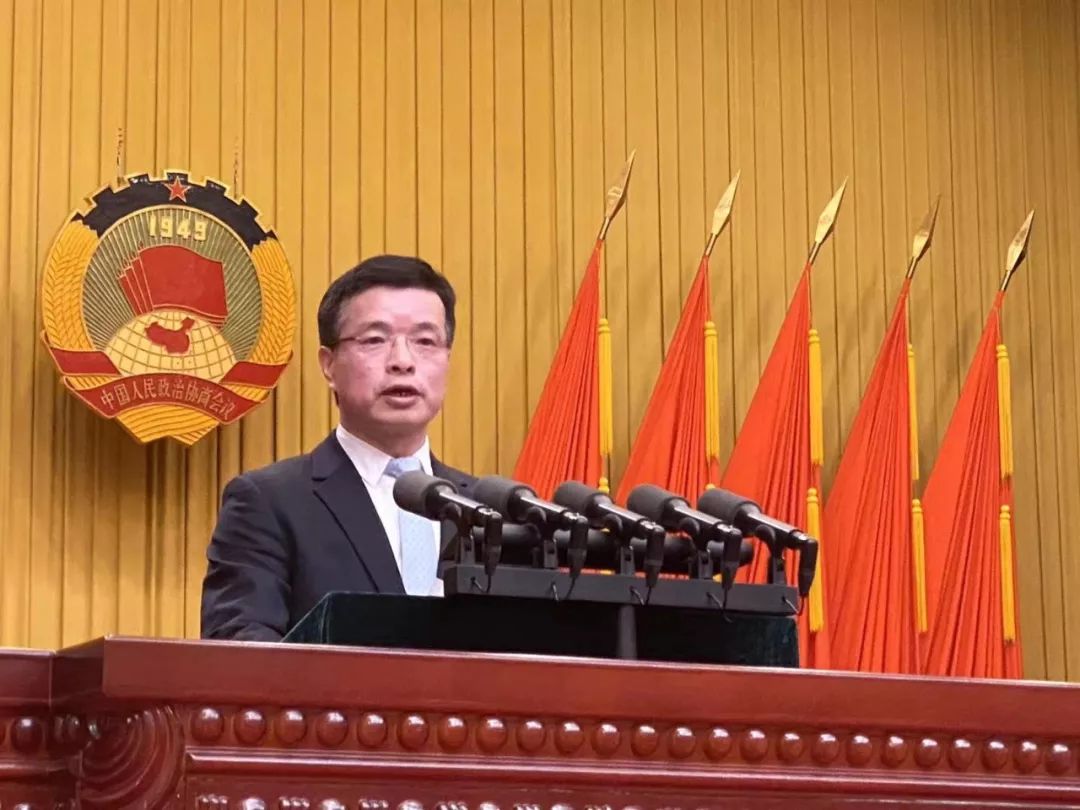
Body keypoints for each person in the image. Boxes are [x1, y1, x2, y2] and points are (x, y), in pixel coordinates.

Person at [201, 255, 474, 641]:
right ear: (328, 365)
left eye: (425, 341)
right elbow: (240, 647)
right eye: (375, 340)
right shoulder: (270, 502)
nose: (402, 361)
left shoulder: (484, 511)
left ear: (447, 359)